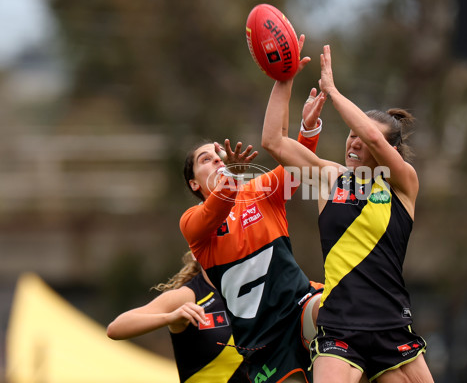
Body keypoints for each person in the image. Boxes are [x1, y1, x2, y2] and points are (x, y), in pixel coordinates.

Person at [261, 44, 434, 383]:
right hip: (340, 327)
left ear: (388, 152)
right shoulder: (331, 179)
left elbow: (373, 134)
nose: (356, 142)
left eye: (365, 142)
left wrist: (333, 92)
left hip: (392, 328)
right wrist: (284, 77)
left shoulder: (401, 183)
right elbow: (273, 142)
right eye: (351, 136)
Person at [179, 34, 324, 383]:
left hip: (300, 306)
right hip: (263, 342)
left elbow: (295, 164)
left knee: (342, 308)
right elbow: (215, 212)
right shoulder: (192, 223)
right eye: (205, 160)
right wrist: (231, 179)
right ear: (194, 184)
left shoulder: (260, 192)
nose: (217, 160)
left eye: (219, 154)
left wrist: (291, 93)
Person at [106, 251, 248, 383]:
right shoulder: (188, 297)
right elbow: (115, 329)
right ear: (194, 253)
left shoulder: (253, 290)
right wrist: (170, 318)